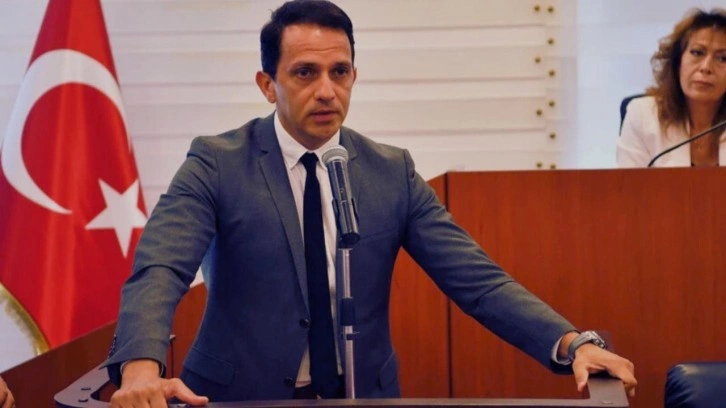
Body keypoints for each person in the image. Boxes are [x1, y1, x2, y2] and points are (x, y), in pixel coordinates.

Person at [106, 1, 637, 406]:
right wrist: (140, 369)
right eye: (305, 73)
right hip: (239, 396)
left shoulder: (390, 171)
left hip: (363, 396)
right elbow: (160, 268)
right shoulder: (216, 162)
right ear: (268, 84)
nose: (326, 91)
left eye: (339, 72)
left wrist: (571, 342)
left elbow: (478, 281)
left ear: (354, 77)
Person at [617, 8, 726, 167]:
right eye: (697, 53)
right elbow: (629, 182)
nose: (706, 67)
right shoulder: (643, 115)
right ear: (677, 61)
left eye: (723, 58)